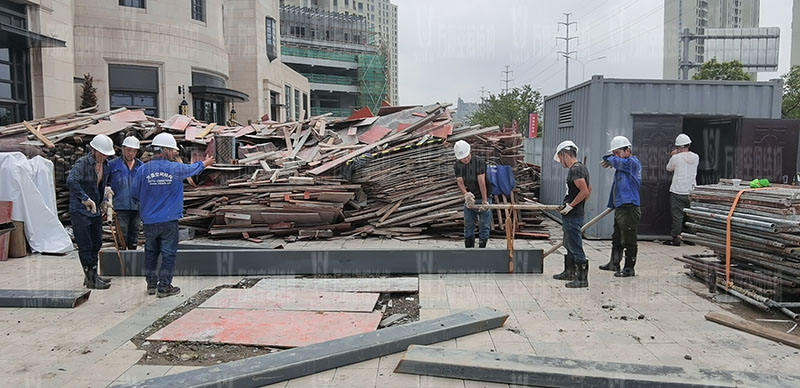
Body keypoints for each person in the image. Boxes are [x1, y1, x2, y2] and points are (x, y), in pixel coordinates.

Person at [132, 133, 215, 297]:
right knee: (168, 254)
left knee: (150, 253)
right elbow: (192, 169)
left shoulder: (142, 170)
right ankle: (164, 287)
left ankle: (150, 285)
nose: (174, 153)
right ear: (164, 150)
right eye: (171, 150)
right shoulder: (174, 169)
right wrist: (206, 163)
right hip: (168, 221)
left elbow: (134, 194)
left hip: (149, 221)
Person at [66, 134, 115, 289]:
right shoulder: (83, 163)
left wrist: (105, 196)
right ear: (93, 150)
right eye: (101, 153)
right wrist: (84, 198)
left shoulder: (106, 165)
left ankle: (93, 276)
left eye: (106, 154)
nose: (104, 157)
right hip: (80, 210)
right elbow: (71, 180)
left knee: (96, 242)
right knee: (85, 244)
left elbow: (102, 183)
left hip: (94, 210)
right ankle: (91, 278)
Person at [599, 136, 641, 278]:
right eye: (615, 153)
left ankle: (629, 268)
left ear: (627, 150)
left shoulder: (632, 163)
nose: (616, 156)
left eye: (618, 152)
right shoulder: (621, 166)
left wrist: (610, 159)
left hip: (630, 207)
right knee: (617, 237)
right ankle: (614, 263)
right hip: (620, 206)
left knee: (628, 238)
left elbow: (615, 161)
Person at [552, 140, 591, 288]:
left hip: (573, 214)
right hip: (574, 213)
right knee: (568, 243)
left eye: (560, 158)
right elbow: (589, 190)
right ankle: (569, 271)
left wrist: (571, 206)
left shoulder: (575, 170)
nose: (561, 162)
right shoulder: (581, 168)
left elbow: (585, 191)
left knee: (575, 245)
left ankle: (581, 278)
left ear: (564, 154)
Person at [453, 140, 492, 248]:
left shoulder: (479, 162)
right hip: (471, 198)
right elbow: (460, 182)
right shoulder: (458, 165)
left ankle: (482, 248)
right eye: (462, 158)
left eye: (466, 157)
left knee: (484, 225)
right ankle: (469, 250)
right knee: (468, 224)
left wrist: (485, 201)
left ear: (469, 152)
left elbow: (482, 182)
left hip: (483, 195)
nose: (465, 160)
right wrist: (466, 194)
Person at [108, 136, 143, 249]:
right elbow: (104, 184)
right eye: (128, 150)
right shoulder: (112, 165)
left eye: (133, 151)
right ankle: (122, 260)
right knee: (121, 235)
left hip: (136, 206)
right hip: (120, 206)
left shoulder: (141, 167)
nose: (130, 153)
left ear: (136, 151)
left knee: (134, 234)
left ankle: (132, 258)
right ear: (123, 149)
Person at [664, 133, 698, 246]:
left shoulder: (676, 158)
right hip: (691, 191)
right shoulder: (696, 157)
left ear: (678, 147)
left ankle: (676, 238)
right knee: (690, 215)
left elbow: (669, 168)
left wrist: (673, 155)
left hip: (677, 191)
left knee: (677, 216)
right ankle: (691, 238)